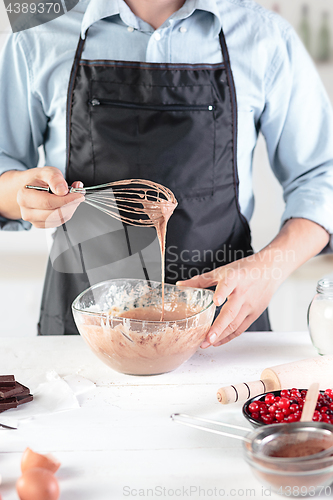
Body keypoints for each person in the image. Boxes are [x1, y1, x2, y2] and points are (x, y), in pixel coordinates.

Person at [0, 0, 332, 345]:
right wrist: (20, 196)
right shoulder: (38, 30)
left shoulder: (264, 35)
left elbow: (322, 178)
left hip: (219, 326)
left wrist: (268, 270)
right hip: (82, 328)